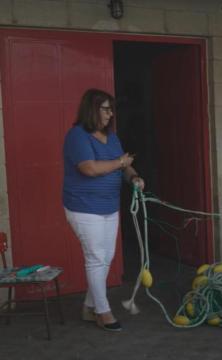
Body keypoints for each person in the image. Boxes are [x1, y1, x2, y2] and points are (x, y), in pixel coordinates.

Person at [62, 89, 145, 332]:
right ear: (92, 109)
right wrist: (121, 163)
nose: (110, 114)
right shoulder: (77, 136)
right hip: (84, 207)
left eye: (111, 109)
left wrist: (135, 177)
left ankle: (89, 307)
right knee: (97, 257)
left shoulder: (112, 137)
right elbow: (89, 168)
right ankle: (102, 311)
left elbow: (125, 165)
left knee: (105, 257)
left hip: (109, 206)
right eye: (106, 109)